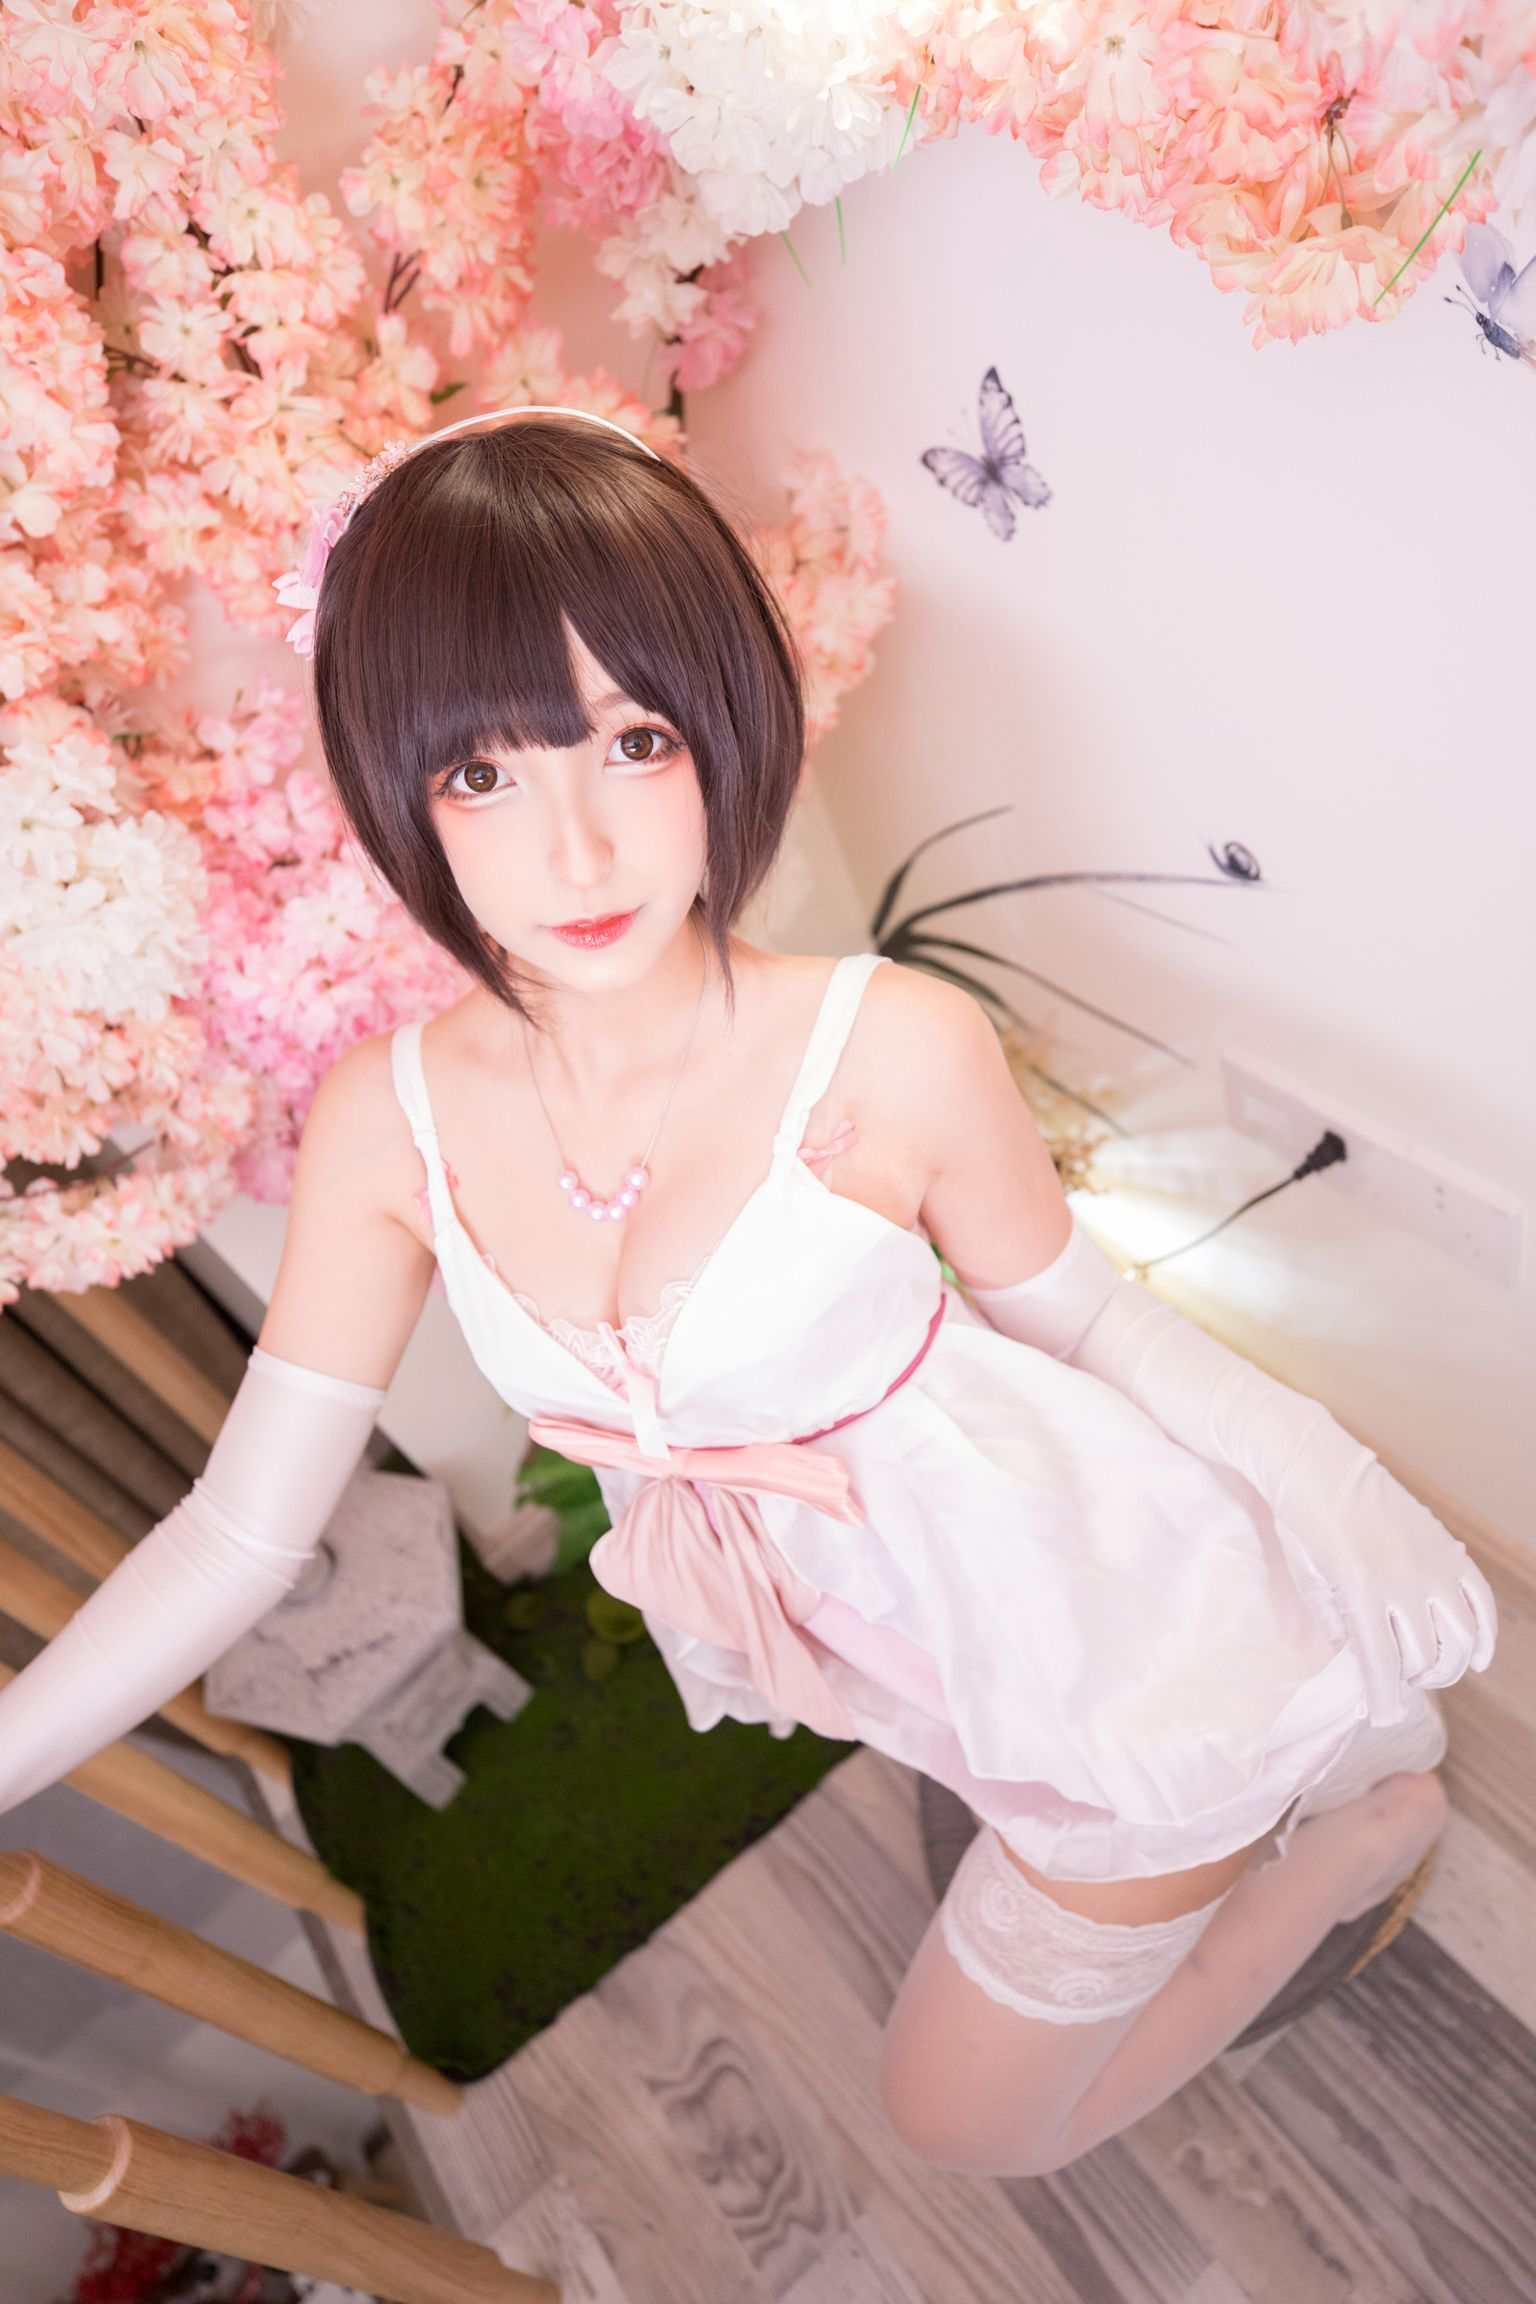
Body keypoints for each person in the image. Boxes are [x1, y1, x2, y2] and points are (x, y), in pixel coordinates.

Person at [0, 406, 1496, 2179]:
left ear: (721, 723)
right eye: (481, 774)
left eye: (631, 741)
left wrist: (1339, 1492)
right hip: (900, 1648)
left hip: (1101, 1630)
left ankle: (1345, 1839)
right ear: (400, 791)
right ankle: (1322, 1813)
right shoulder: (386, 1127)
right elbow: (241, 1533)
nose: (573, 853)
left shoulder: (892, 1048)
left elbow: (1090, 1323)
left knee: (965, 2130)